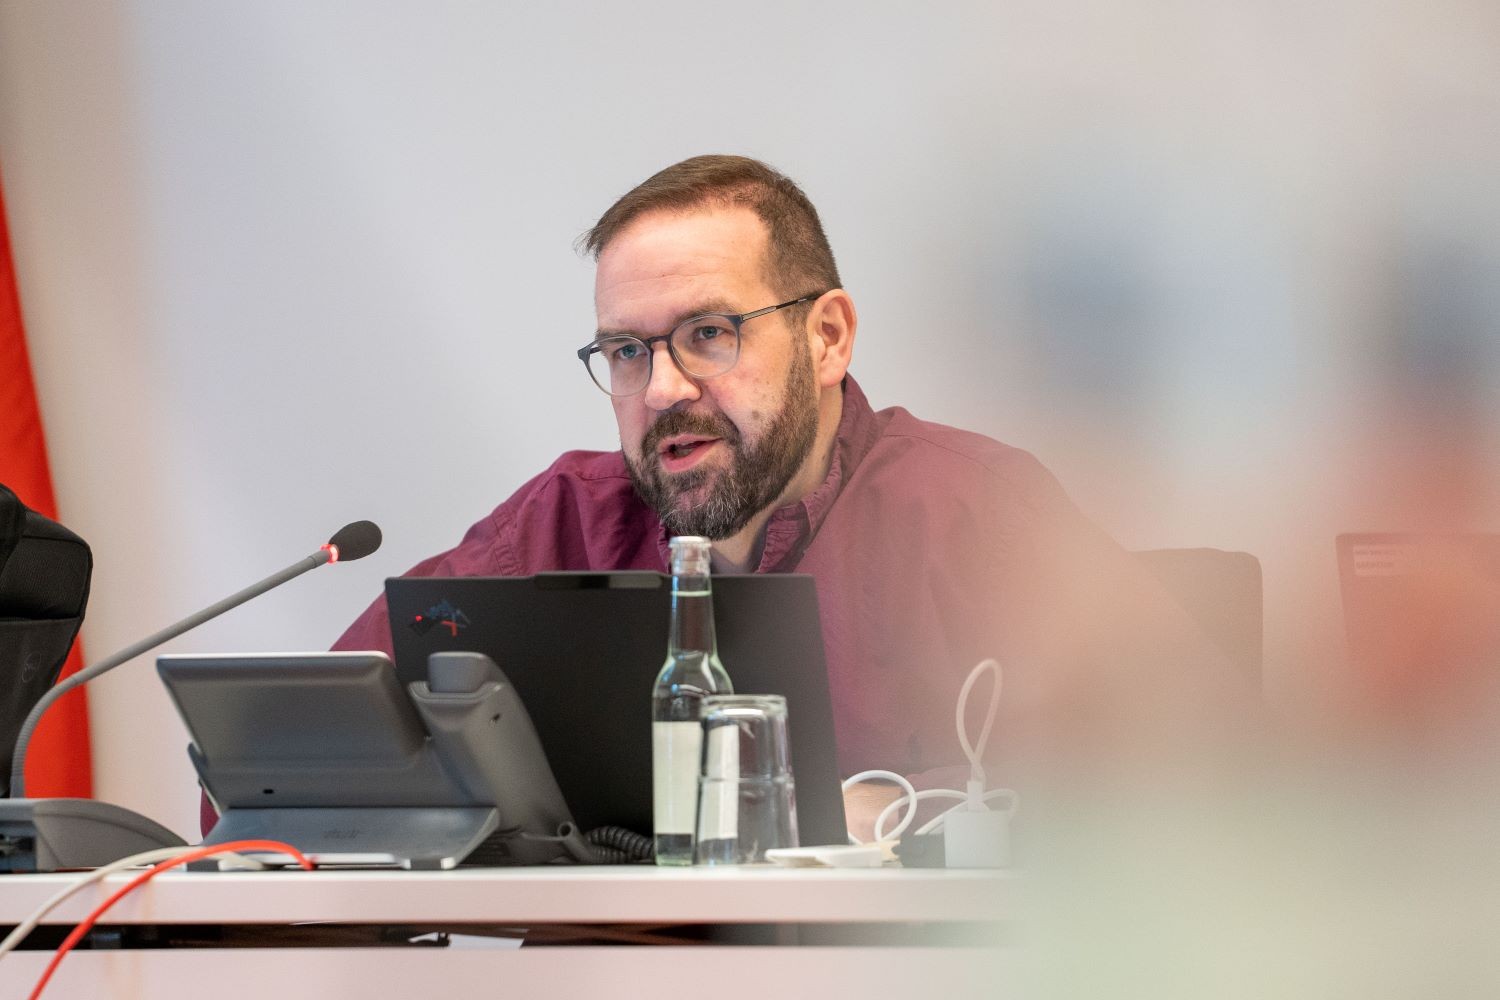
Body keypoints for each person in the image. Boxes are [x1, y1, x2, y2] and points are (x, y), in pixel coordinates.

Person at [332, 155, 1244, 837]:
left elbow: (1221, 777)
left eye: (709, 333)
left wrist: (907, 810)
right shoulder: (564, 520)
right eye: (628, 351)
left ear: (828, 337)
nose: (663, 390)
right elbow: (326, 740)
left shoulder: (975, 511)